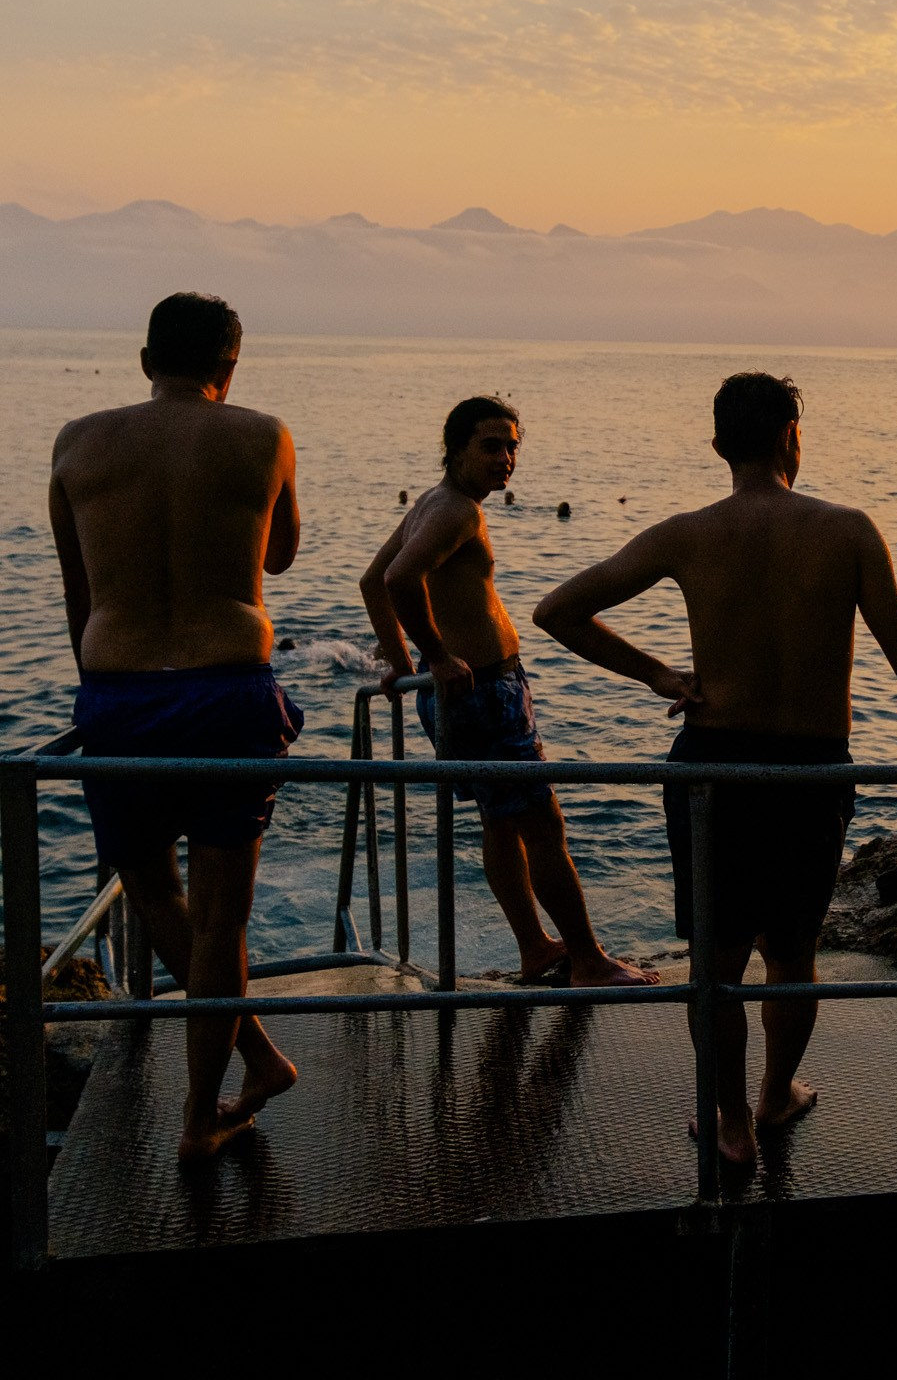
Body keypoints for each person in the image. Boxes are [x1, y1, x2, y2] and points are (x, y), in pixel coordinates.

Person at [535, 372, 897, 1168]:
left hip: (711, 769)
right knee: (790, 956)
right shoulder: (847, 530)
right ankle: (777, 1096)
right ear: (790, 435)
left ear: (717, 445)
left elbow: (556, 611)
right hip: (809, 770)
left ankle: (732, 1122)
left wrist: (660, 677)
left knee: (714, 964)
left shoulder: (684, 533)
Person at [49, 293, 302, 1160]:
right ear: (229, 366)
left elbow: (77, 591)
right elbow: (279, 554)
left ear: (142, 357)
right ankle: (209, 1106)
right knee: (223, 919)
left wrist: (102, 695)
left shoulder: (77, 441)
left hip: (116, 693)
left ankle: (253, 1065)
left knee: (152, 888)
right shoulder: (262, 434)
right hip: (228, 689)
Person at [360, 398, 654, 989]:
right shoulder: (456, 511)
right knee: (542, 826)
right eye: (491, 445)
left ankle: (536, 950)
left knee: (500, 823)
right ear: (457, 448)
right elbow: (394, 580)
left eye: (513, 445)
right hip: (484, 690)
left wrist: (402, 663)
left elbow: (373, 581)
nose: (506, 458)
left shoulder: (433, 503)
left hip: (465, 693)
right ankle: (588, 961)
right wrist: (435, 657)